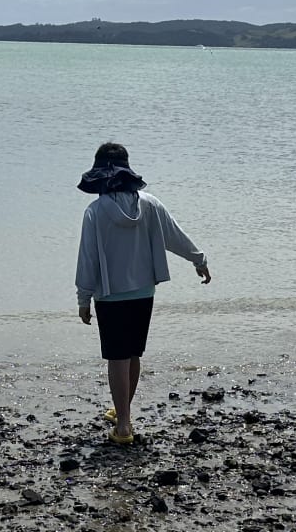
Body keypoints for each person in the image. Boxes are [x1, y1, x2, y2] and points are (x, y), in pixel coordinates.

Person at [75, 142, 211, 444]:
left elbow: (87, 258)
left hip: (110, 295)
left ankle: (123, 425)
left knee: (117, 358)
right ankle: (123, 412)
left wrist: (83, 298)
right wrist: (198, 259)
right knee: (133, 354)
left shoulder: (95, 212)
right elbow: (175, 236)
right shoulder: (150, 204)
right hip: (143, 291)